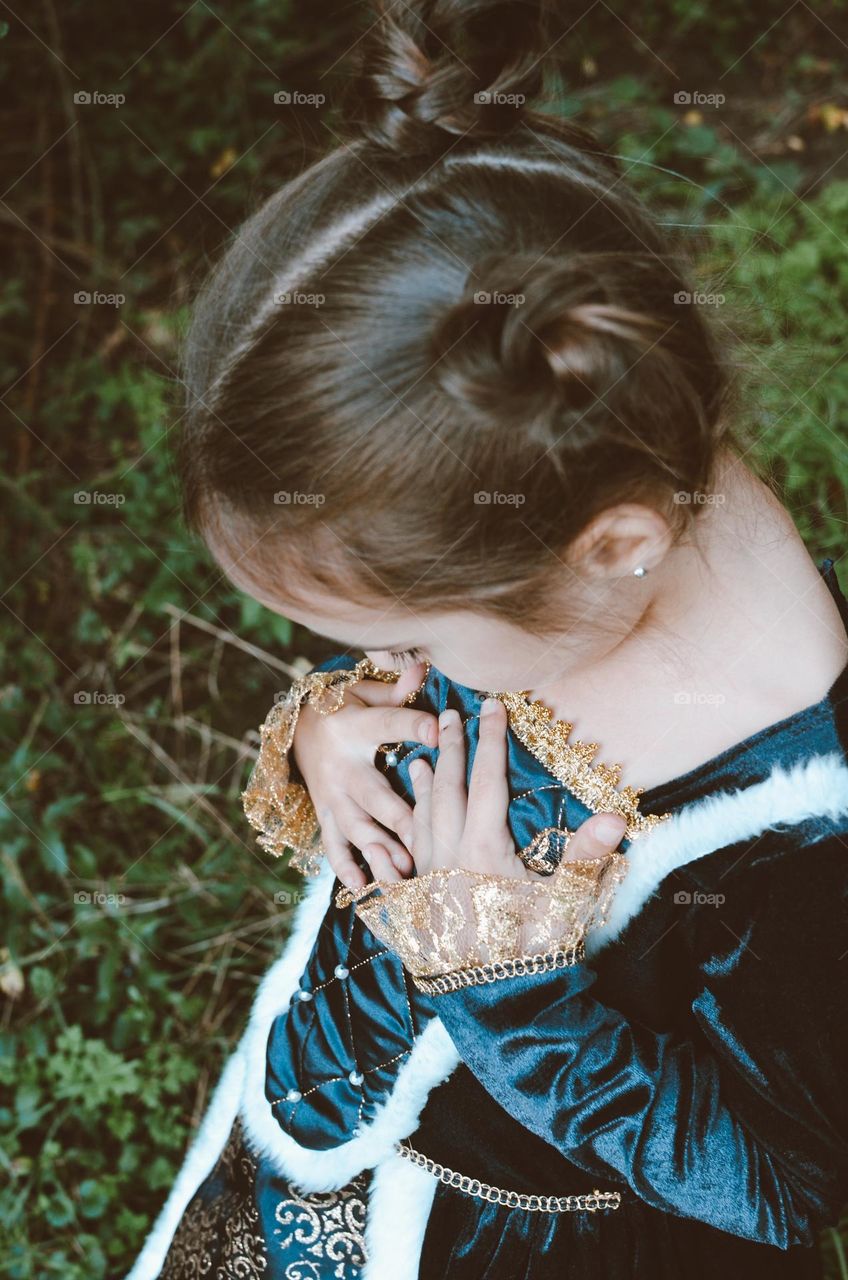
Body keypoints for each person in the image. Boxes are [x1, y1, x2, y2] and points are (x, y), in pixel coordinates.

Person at [127, 1, 848, 1276]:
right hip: (311, 1149)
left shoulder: (795, 827)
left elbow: (785, 1183)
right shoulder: (561, 510)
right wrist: (335, 732)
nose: (392, 660)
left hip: (500, 1235)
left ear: (607, 546)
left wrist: (511, 987)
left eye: (401, 633)